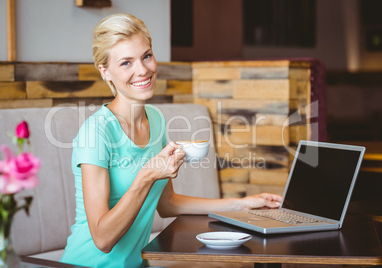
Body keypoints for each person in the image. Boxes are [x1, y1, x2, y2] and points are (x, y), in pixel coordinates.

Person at [60, 13, 282, 268]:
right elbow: (102, 238)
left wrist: (241, 204)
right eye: (126, 63)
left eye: (146, 56)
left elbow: (168, 204)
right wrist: (146, 176)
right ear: (105, 71)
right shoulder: (96, 133)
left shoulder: (155, 119)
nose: (143, 70)